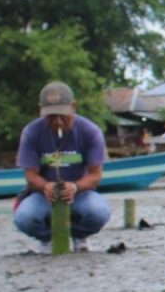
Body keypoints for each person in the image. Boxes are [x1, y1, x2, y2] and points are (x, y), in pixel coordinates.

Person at [14, 82, 111, 253]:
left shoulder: (90, 131)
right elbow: (30, 175)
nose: (57, 121)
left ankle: (79, 236)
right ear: (41, 110)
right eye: (51, 116)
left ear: (73, 107)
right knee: (24, 217)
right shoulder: (31, 132)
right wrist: (45, 186)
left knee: (99, 212)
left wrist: (75, 186)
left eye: (62, 115)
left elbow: (95, 175)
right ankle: (47, 238)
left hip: (81, 193)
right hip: (42, 195)